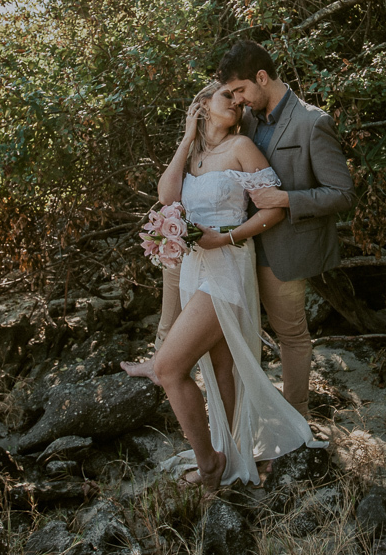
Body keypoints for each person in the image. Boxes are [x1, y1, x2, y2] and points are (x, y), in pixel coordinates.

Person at [121, 82, 317, 489]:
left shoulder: (242, 146)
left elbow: (272, 209)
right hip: (195, 266)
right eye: (226, 96)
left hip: (227, 262)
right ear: (203, 106)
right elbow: (166, 196)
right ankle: (230, 458)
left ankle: (208, 462)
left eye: (237, 96)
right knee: (223, 369)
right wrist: (187, 138)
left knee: (168, 368)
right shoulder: (194, 153)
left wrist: (226, 237)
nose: (237, 102)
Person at [217, 40, 355, 418]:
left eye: (242, 90)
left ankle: (298, 417)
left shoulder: (313, 122)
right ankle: (250, 417)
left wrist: (285, 199)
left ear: (262, 77)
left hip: (286, 252)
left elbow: (342, 193)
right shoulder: (244, 121)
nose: (239, 100)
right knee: (241, 339)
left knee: (292, 337)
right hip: (239, 248)